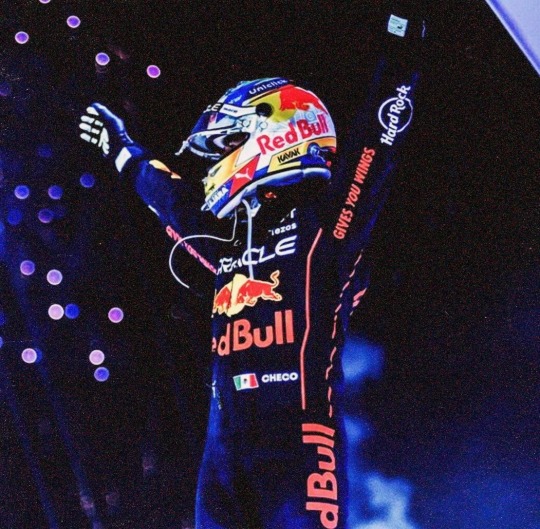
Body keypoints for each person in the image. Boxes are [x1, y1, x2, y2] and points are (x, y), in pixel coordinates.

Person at [79, 9, 425, 528]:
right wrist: (121, 149)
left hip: (299, 451)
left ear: (276, 133)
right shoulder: (228, 238)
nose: (217, 162)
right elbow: (171, 199)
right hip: (222, 456)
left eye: (228, 144)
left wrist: (404, 37)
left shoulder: (326, 227)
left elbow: (378, 143)